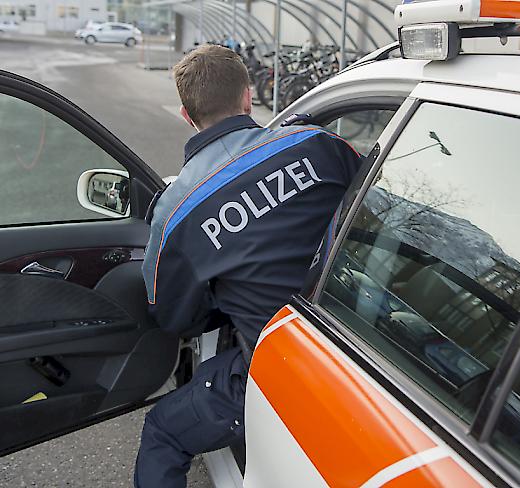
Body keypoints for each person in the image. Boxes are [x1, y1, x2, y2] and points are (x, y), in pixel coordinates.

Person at [135, 45, 361, 487]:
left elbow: (172, 314)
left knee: (162, 431)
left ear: (186, 114)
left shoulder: (177, 209)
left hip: (285, 372)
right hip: (366, 331)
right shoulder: (321, 144)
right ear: (248, 97)